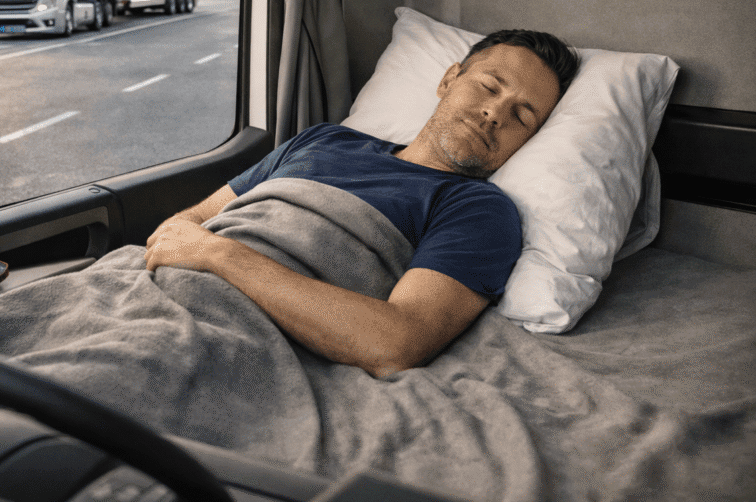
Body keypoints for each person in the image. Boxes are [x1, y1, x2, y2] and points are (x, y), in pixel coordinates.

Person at [145, 30, 580, 378]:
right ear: (449, 80)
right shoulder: (324, 139)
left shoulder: (479, 210)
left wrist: (220, 255)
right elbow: (190, 223)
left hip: (224, 334)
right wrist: (194, 251)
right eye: (489, 86)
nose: (495, 114)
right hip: (146, 292)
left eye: (523, 116)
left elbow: (395, 343)